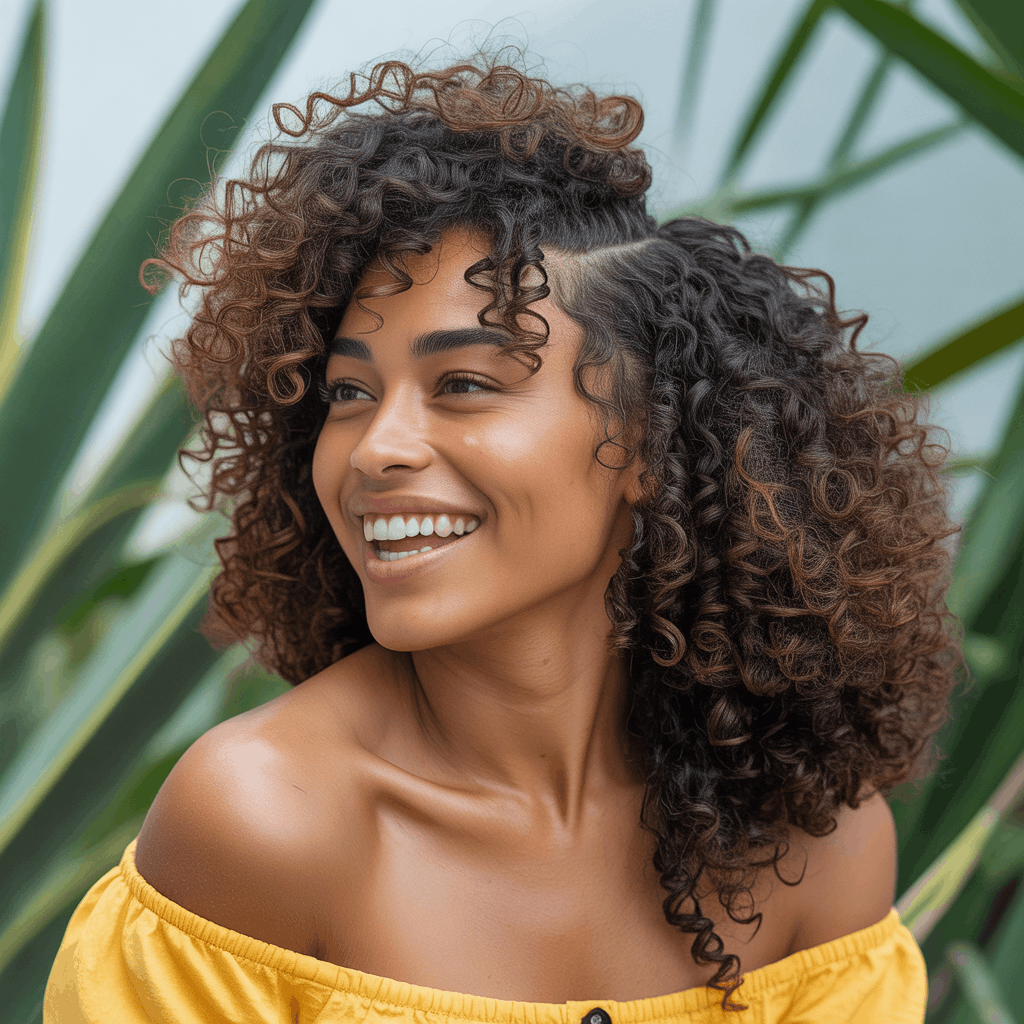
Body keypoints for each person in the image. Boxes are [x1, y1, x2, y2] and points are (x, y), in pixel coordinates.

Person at [44, 53, 960, 1023]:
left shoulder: (813, 837)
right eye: (349, 392)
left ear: (649, 442)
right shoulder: (262, 822)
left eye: (465, 384)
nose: (375, 448)